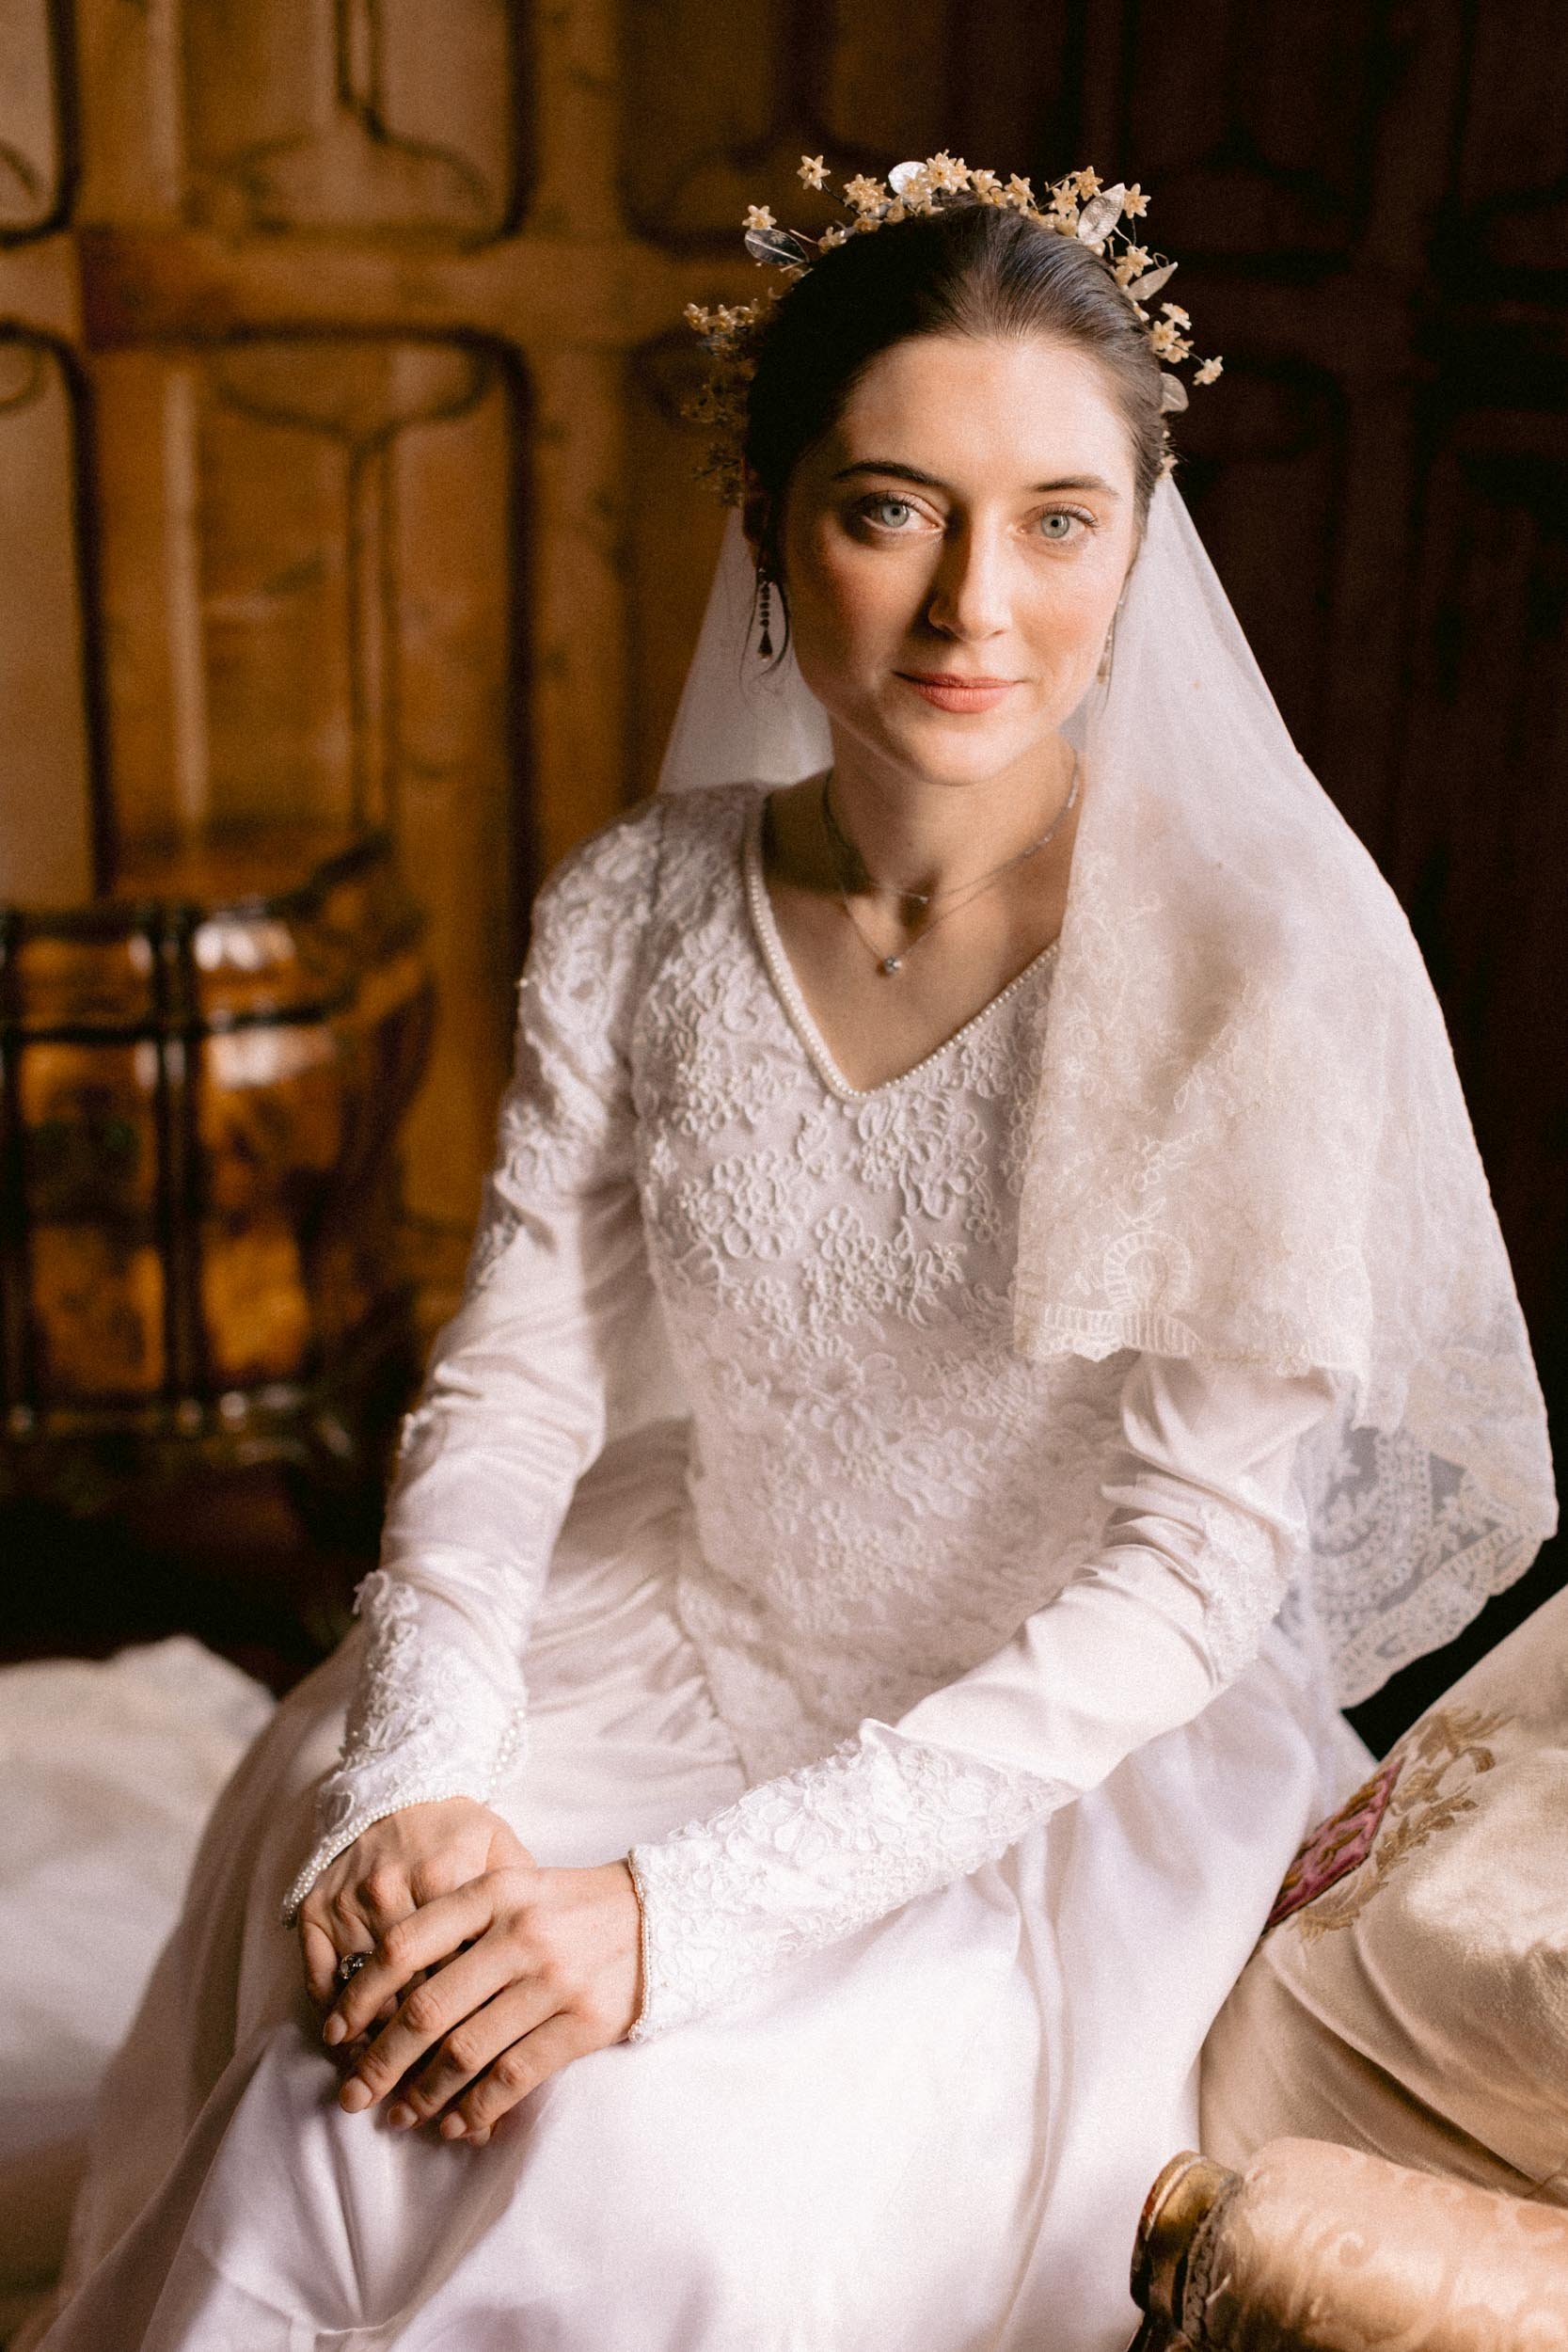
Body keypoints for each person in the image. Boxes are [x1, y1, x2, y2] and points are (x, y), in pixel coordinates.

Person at [30, 154, 1556, 2352]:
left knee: (623, 2171)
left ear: (1140, 553)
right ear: (767, 526)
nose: (974, 609)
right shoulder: (639, 907)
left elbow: (1188, 1573)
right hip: (664, 1634)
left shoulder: (1251, 971)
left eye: (1056, 519)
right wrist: (417, 1777)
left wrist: (665, 1923)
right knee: (345, 2067)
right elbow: (517, 1383)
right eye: (890, 507)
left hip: (1033, 1770)